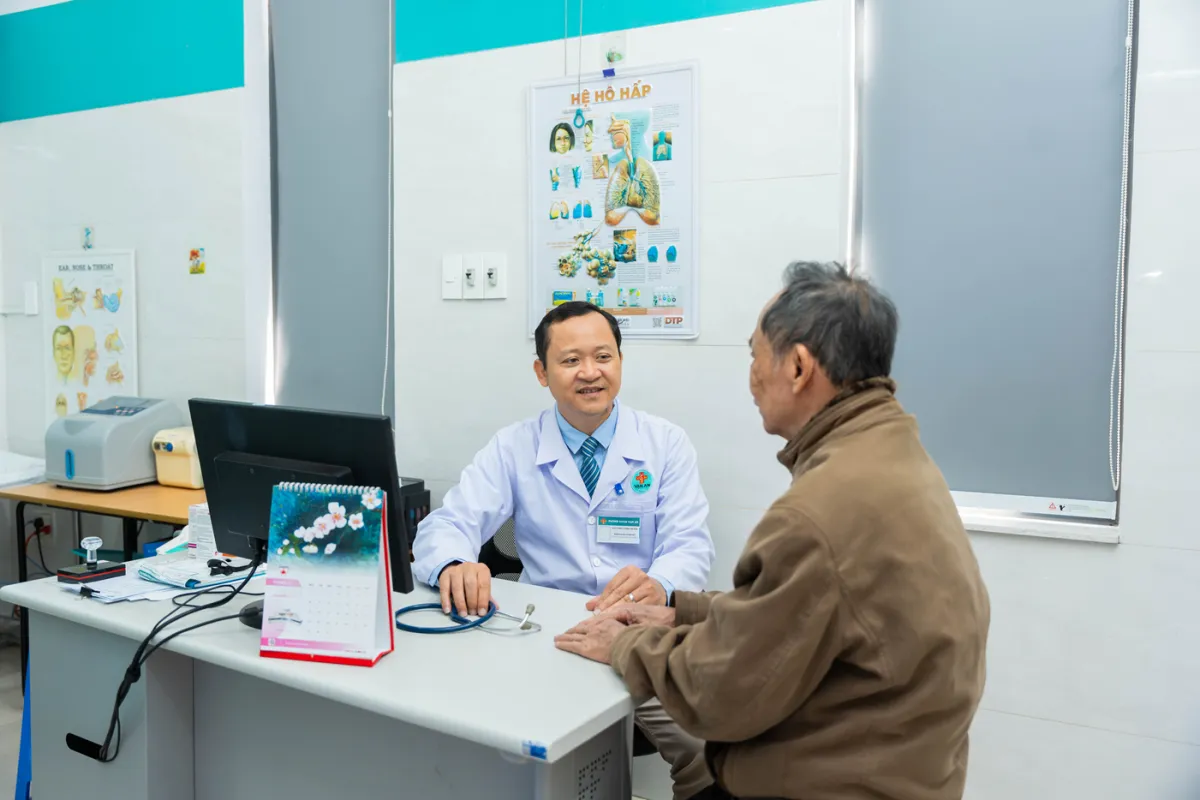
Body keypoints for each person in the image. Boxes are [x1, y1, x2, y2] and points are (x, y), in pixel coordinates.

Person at [555, 262, 991, 800]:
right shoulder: (892, 454)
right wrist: (682, 612)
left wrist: (626, 643)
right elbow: (800, 609)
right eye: (570, 360)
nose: (752, 377)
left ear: (799, 367)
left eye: (754, 355)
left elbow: (718, 692)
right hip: (903, 764)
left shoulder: (818, 510)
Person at [410, 301, 717, 800]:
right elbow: (448, 523)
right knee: (492, 746)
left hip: (640, 633)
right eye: (571, 360)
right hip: (544, 635)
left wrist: (661, 585)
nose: (590, 372)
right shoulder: (513, 446)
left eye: (603, 356)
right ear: (542, 372)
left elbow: (690, 545)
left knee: (711, 749)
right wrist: (455, 562)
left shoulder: (665, 443)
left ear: (620, 361)